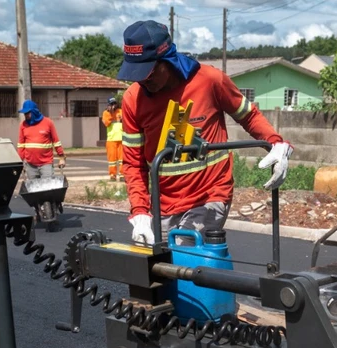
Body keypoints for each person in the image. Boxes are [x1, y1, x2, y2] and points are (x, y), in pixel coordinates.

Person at [117, 20, 292, 247]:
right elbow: (133, 164)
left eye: (149, 73)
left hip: (209, 194)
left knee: (182, 252)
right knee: (148, 267)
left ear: (167, 58)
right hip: (163, 203)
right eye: (137, 74)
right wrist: (140, 211)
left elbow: (248, 115)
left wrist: (275, 143)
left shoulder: (210, 81)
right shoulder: (133, 99)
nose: (144, 80)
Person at [17, 100, 65, 179]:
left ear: (34, 112)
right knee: (33, 189)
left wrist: (61, 157)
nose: (25, 115)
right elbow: (21, 145)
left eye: (27, 113)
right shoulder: (23, 125)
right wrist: (20, 162)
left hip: (46, 164)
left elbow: (56, 141)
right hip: (30, 165)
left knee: (47, 188)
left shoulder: (48, 123)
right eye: (24, 113)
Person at [101, 96, 123, 181]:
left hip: (121, 138)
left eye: (114, 103)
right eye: (111, 104)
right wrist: (111, 113)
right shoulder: (106, 113)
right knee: (112, 159)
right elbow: (106, 123)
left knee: (122, 159)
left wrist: (121, 119)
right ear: (108, 105)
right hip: (111, 140)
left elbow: (126, 120)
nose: (113, 105)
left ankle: (122, 175)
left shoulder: (121, 111)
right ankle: (112, 175)